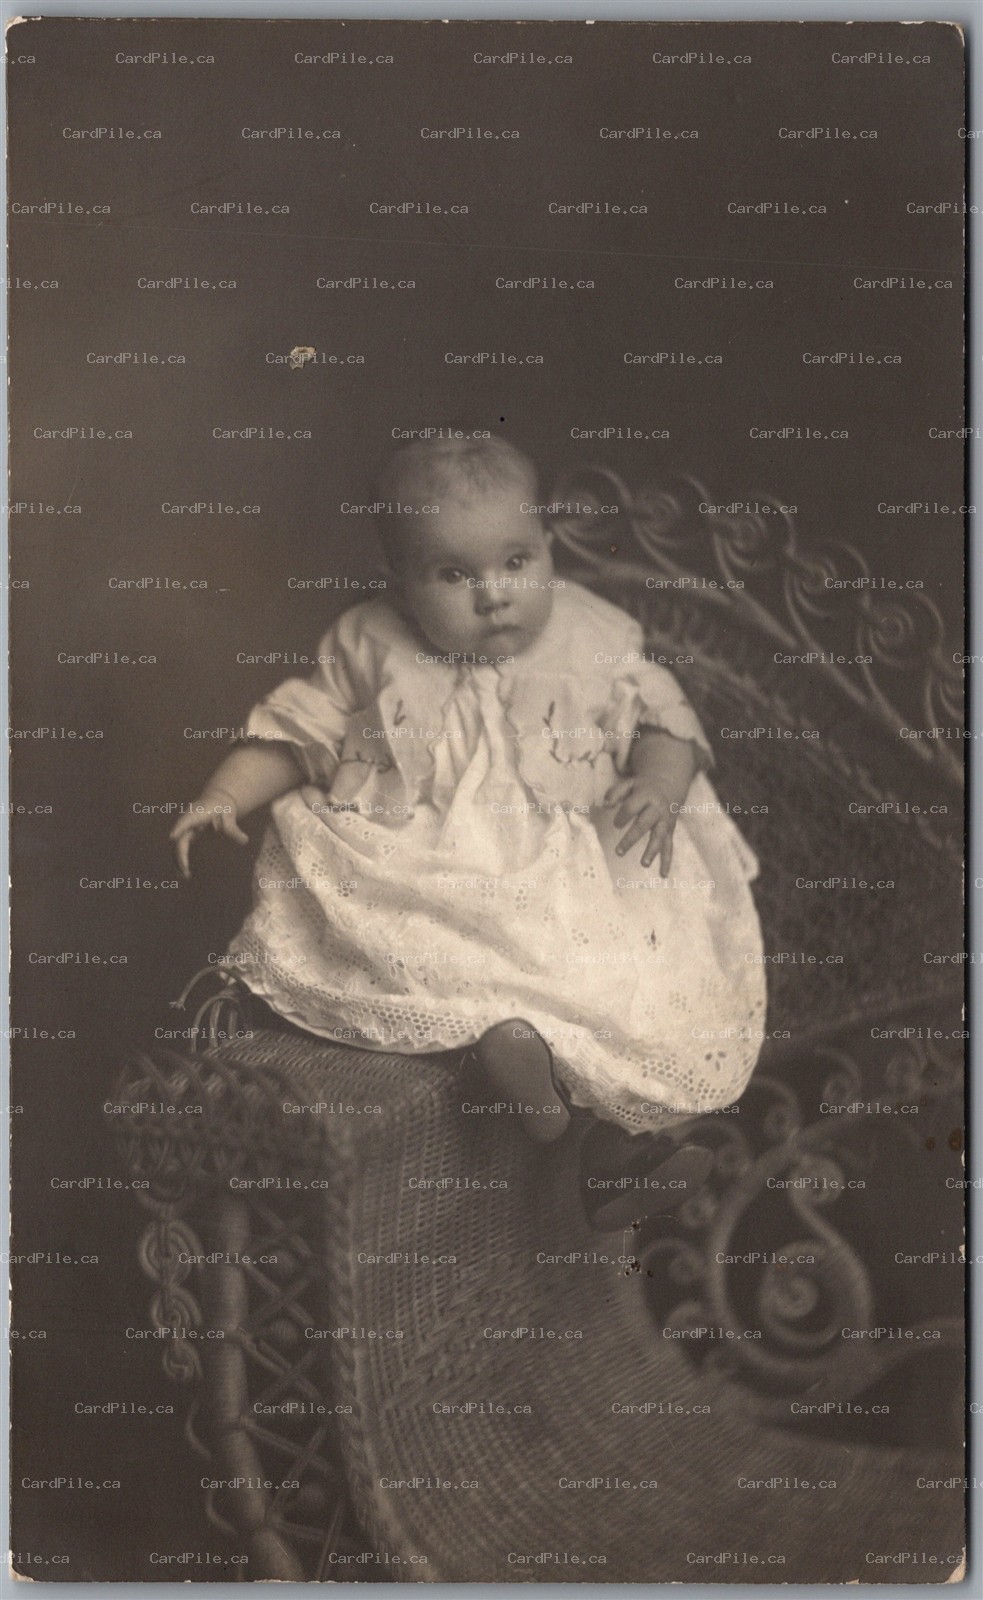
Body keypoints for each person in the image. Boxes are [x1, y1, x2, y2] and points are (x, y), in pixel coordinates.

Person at [172, 433, 766, 1227]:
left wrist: (657, 791)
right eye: (453, 574)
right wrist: (222, 794)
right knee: (426, 946)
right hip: (431, 865)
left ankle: (597, 1132)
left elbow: (663, 722)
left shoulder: (592, 636)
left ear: (548, 550)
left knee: (606, 979)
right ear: (401, 581)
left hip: (567, 863)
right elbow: (296, 731)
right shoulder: (368, 643)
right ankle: (510, 1061)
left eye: (515, 562)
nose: (493, 594)